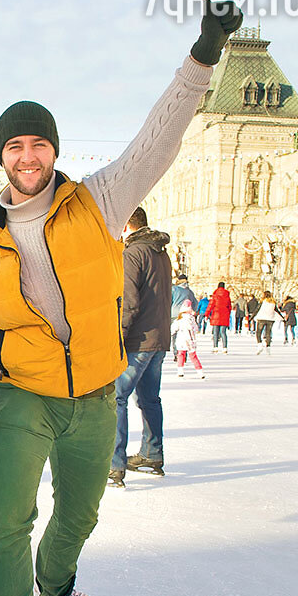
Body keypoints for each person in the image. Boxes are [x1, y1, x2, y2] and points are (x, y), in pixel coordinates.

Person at [0, 0, 242, 596]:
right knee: (6, 516)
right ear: (2, 156)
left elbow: (158, 139)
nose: (27, 157)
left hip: (95, 395)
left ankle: (55, 590)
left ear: (52, 152)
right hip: (22, 397)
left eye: (39, 145)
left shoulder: (99, 199)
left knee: (81, 512)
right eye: (15, 147)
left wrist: (203, 55)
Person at [108, 207, 172, 487]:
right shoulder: (160, 251)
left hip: (138, 339)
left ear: (126, 225)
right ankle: (151, 453)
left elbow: (129, 301)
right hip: (158, 337)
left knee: (116, 398)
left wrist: (118, 335)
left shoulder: (132, 253)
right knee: (149, 399)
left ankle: (114, 464)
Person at [171, 300, 205, 379]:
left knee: (180, 355)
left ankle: (180, 371)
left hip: (181, 340)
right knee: (193, 356)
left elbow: (173, 329)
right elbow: (196, 329)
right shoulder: (192, 319)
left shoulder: (179, 319)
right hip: (190, 340)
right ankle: (200, 372)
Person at [170, 274, 197, 359]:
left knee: (174, 334)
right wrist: (192, 311)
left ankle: (176, 353)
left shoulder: (174, 289)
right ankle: (183, 354)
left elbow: (169, 301)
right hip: (185, 315)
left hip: (174, 314)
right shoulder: (189, 292)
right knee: (185, 335)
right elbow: (195, 303)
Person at [205, 281, 232, 352]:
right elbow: (229, 307)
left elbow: (210, 305)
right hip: (224, 315)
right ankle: (225, 347)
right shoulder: (227, 296)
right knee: (223, 332)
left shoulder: (215, 295)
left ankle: (215, 347)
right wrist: (228, 314)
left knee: (215, 332)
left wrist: (207, 314)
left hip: (216, 315)